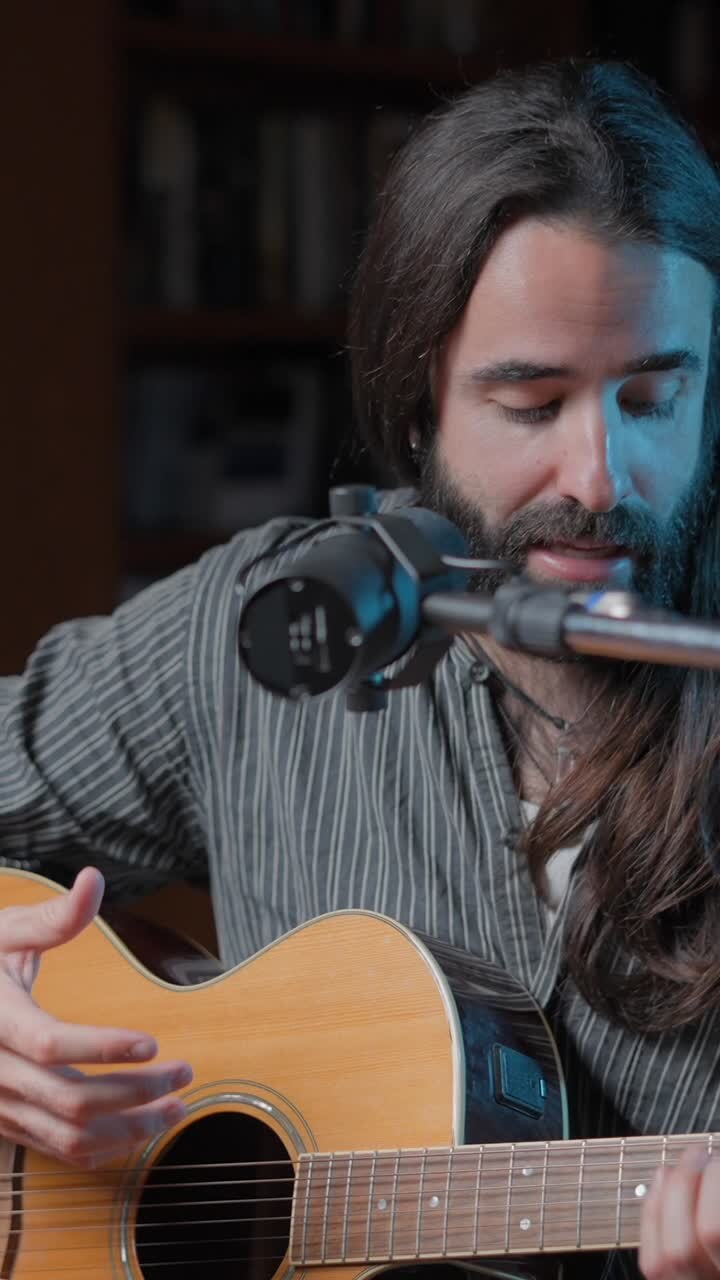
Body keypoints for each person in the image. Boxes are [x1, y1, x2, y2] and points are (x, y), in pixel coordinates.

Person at [1, 57, 719, 1280]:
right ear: (417, 399)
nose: (603, 477)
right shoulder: (254, 627)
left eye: (656, 397)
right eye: (532, 403)